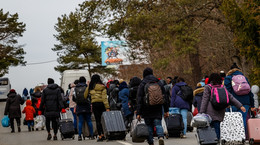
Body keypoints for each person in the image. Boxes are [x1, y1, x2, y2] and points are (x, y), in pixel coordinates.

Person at [200, 73, 246, 140]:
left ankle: (211, 140)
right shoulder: (223, 87)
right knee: (217, 126)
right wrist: (240, 106)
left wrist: (202, 112)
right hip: (221, 110)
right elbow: (231, 97)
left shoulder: (208, 87)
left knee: (210, 127)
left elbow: (205, 99)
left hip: (210, 110)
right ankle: (217, 140)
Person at [136, 67, 169, 145]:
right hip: (157, 107)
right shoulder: (158, 82)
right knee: (158, 123)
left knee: (149, 125)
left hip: (146, 108)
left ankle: (151, 141)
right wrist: (166, 110)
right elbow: (164, 97)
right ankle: (160, 137)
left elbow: (139, 99)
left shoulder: (142, 84)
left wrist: (138, 112)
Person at [224, 63, 255, 135]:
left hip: (234, 102)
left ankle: (234, 136)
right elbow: (250, 92)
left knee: (233, 121)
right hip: (245, 103)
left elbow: (227, 92)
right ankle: (243, 136)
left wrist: (227, 103)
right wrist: (252, 104)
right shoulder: (244, 78)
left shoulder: (228, 78)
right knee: (243, 120)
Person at [84, 74, 110, 142]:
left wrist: (88, 87)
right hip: (102, 104)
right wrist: (107, 107)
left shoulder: (90, 87)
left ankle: (100, 135)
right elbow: (104, 98)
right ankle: (105, 134)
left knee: (97, 120)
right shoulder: (102, 87)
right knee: (104, 120)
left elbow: (85, 95)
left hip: (95, 104)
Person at [73, 76, 94, 141]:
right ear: (85, 81)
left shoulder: (76, 88)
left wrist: (77, 102)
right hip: (87, 105)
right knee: (89, 121)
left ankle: (79, 135)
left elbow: (74, 98)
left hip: (79, 106)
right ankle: (92, 135)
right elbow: (90, 96)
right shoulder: (87, 87)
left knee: (80, 122)